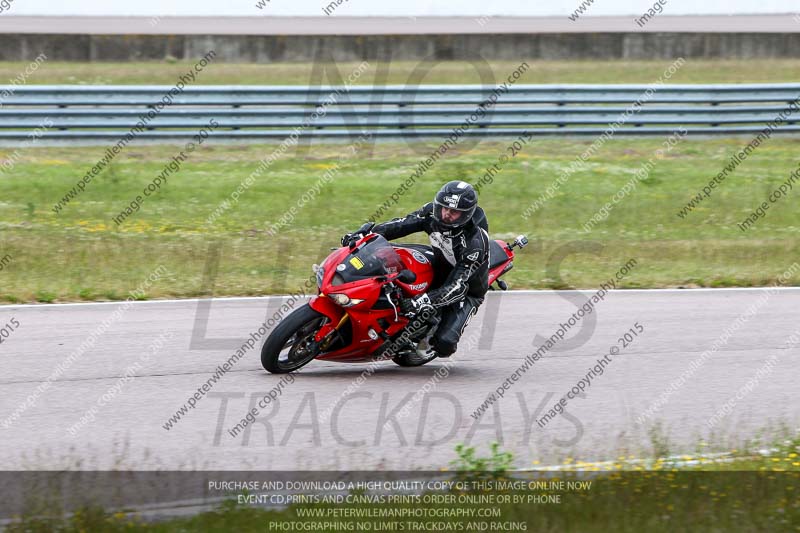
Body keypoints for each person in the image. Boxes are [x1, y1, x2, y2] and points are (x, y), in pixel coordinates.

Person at [341, 181, 490, 358]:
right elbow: (400, 225)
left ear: (466, 215)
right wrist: (365, 236)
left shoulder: (474, 243)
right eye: (443, 208)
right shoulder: (432, 213)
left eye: (454, 212)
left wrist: (420, 301)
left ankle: (427, 334)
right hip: (438, 261)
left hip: (466, 289)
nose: (446, 215)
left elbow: (456, 286)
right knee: (385, 260)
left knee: (445, 344)